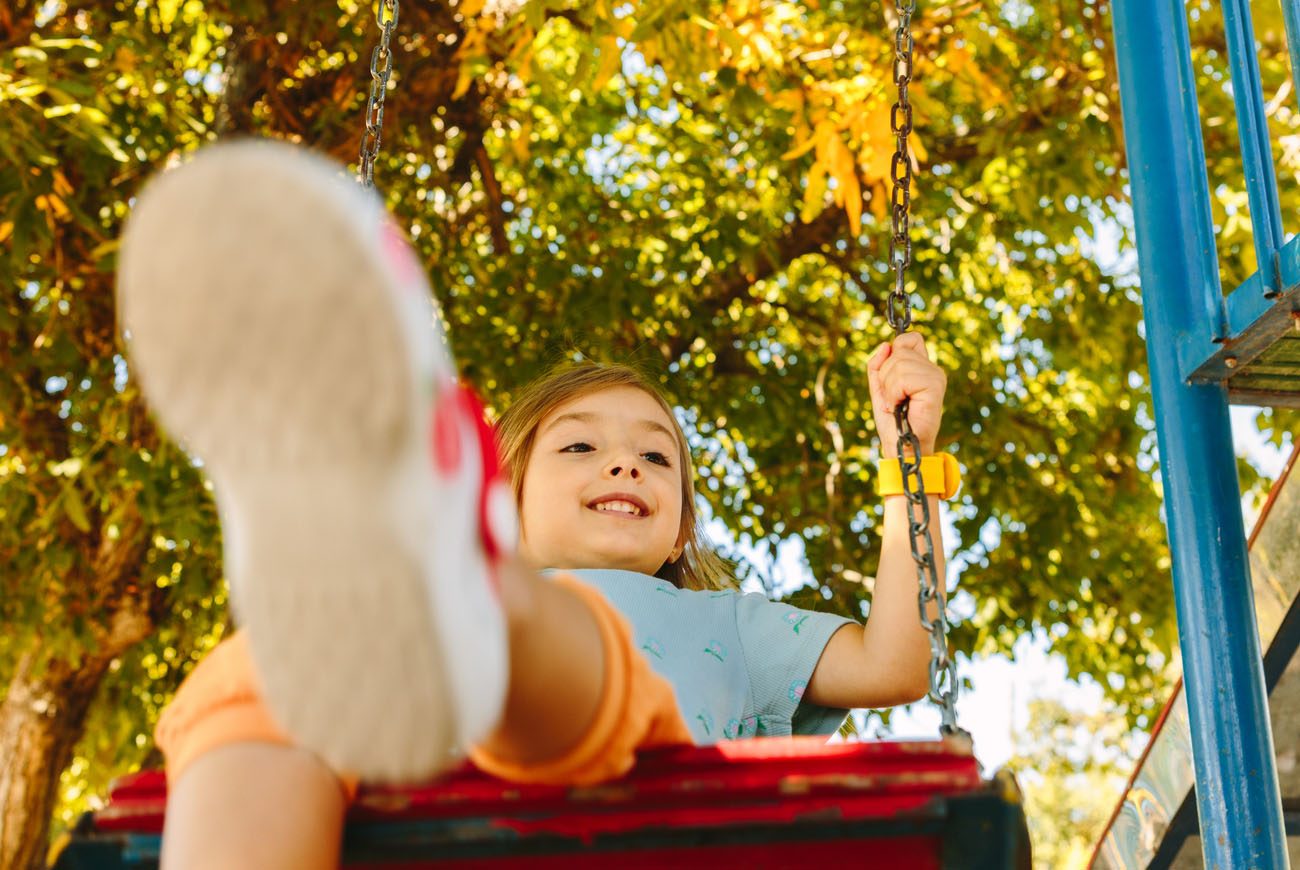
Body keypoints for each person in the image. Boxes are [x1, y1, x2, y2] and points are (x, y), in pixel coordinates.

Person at [115, 138, 956, 869]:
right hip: (434, 821)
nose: (625, 464)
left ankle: (484, 587)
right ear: (508, 494)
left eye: (656, 456)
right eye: (581, 446)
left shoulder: (732, 625)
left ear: (679, 530)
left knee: (550, 654)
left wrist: (906, 462)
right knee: (278, 670)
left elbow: (896, 664)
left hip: (646, 821)